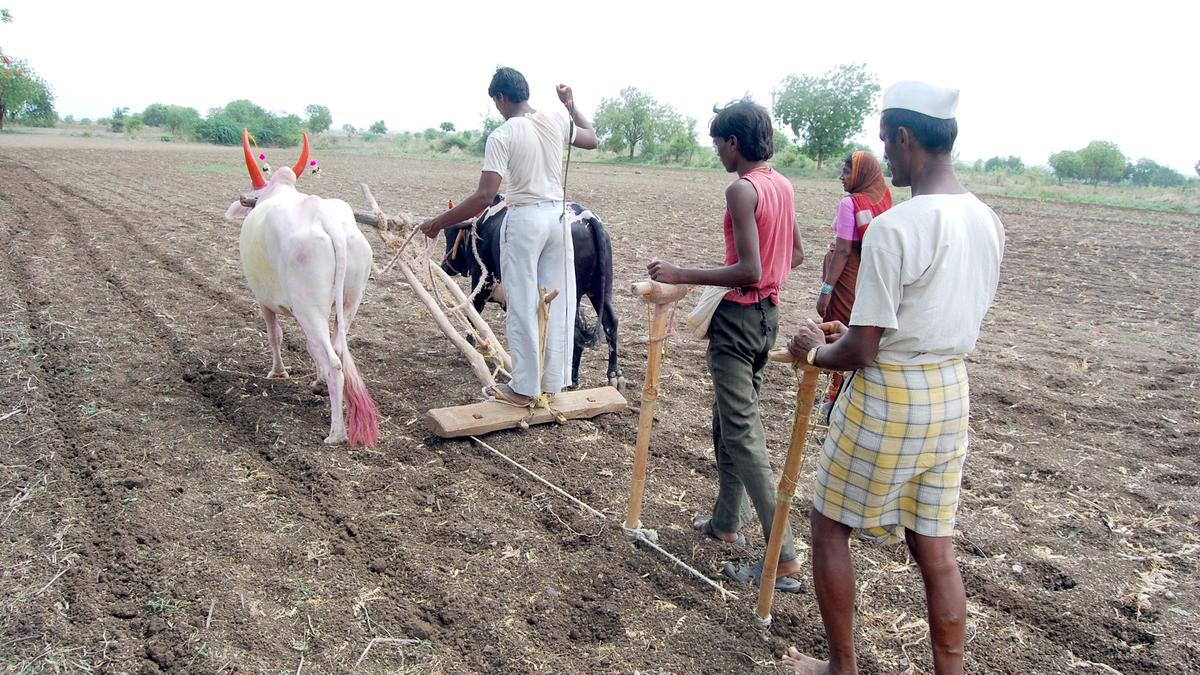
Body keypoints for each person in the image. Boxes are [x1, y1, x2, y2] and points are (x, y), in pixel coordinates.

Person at [781, 81, 1005, 675]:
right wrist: (850, 339)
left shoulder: (895, 228)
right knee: (935, 548)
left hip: (890, 396)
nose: (885, 150)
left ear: (906, 138)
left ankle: (840, 669)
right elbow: (918, 322)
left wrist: (812, 351)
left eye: (886, 138)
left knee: (829, 526)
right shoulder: (987, 220)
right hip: (951, 395)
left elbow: (862, 348)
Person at [647, 98, 806, 591]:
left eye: (718, 143)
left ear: (734, 142)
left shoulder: (742, 189)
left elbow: (749, 270)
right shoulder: (781, 184)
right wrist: (760, 283)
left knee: (741, 432)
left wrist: (682, 275)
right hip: (767, 317)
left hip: (738, 319)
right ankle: (725, 521)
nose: (717, 151)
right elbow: (794, 254)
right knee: (727, 420)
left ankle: (782, 555)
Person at [420, 67, 598, 406]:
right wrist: (571, 104)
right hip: (559, 220)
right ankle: (552, 384)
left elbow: (484, 197)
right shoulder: (557, 119)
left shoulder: (502, 135)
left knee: (523, 305)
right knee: (555, 303)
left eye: (496, 102)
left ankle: (522, 388)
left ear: (501, 98)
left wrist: (439, 222)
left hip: (526, 220)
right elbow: (592, 137)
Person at [816, 151, 892, 422]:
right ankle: (843, 393)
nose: (842, 176)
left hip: (847, 274)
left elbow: (844, 251)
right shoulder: (884, 199)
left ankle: (834, 398)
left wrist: (827, 289)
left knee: (839, 328)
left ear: (860, 174)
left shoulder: (850, 204)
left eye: (847, 171)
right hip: (869, 272)